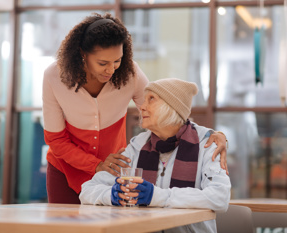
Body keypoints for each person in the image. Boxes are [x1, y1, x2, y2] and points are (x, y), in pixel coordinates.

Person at [42, 12, 228, 204]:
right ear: (82, 53)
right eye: (103, 63)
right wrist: (95, 165)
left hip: (113, 167)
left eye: (117, 60)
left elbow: (164, 111)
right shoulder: (54, 77)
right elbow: (55, 138)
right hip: (65, 169)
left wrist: (208, 136)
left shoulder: (130, 73)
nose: (111, 69)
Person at [79, 78, 231, 233]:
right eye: (144, 100)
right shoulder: (137, 146)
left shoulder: (207, 143)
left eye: (151, 99)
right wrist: (111, 195)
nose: (142, 107)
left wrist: (157, 196)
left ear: (172, 107)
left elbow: (220, 197)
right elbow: (87, 190)